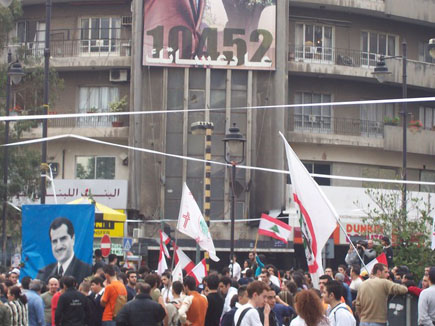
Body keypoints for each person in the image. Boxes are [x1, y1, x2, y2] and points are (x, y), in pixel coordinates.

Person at [37, 217, 92, 284]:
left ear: (73, 239)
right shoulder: (43, 274)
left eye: (63, 239)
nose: (59, 246)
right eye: (54, 241)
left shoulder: (87, 271)